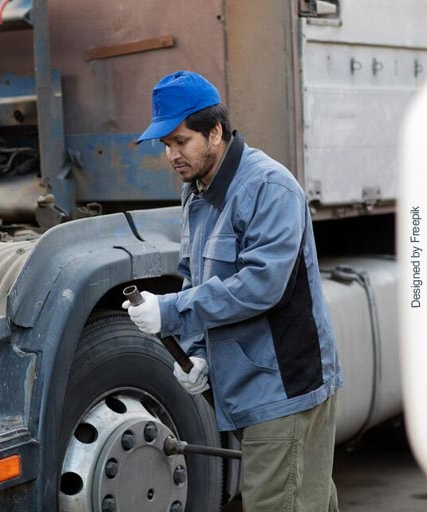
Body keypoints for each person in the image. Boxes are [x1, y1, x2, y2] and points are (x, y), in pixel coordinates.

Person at [122, 70, 343, 512]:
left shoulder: (268, 187)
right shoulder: (197, 192)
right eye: (166, 145)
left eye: (181, 141)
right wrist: (197, 349)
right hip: (249, 389)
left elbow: (262, 284)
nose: (172, 155)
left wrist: (171, 311)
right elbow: (196, 275)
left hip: (284, 391)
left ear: (215, 131)